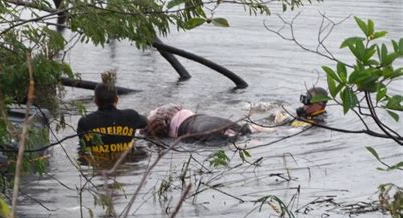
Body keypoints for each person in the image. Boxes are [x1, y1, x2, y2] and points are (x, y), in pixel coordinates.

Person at [141, 86, 329, 140]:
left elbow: (285, 133)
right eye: (302, 100)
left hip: (271, 132)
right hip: (265, 127)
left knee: (247, 131)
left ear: (319, 105)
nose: (303, 106)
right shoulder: (299, 116)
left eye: (307, 102)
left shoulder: (315, 124)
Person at [77, 71, 147, 155]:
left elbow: (82, 145)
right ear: (117, 99)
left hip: (98, 162)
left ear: (95, 101)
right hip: (124, 161)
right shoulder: (131, 116)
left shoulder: (85, 122)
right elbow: (146, 122)